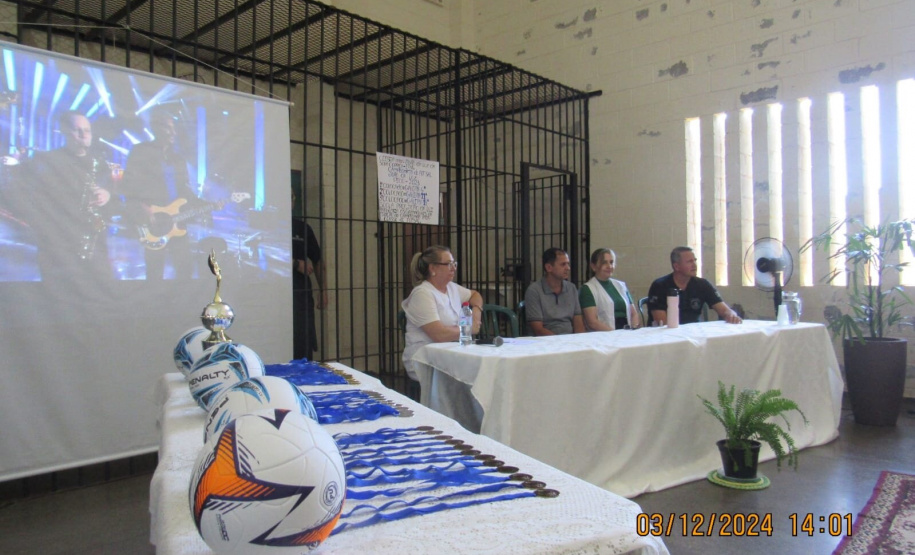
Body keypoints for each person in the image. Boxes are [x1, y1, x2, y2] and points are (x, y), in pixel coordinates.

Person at [21, 111, 114, 281]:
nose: (83, 135)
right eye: (77, 130)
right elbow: (32, 199)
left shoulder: (100, 163)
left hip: (94, 243)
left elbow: (114, 196)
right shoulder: (46, 161)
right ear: (64, 131)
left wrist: (107, 194)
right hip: (59, 247)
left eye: (87, 130)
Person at [121, 111, 198, 280]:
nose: (173, 132)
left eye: (174, 128)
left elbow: (185, 190)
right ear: (156, 128)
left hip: (177, 221)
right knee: (155, 271)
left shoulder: (178, 159)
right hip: (154, 221)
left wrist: (204, 203)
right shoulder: (140, 152)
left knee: (185, 269)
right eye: (168, 127)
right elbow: (128, 184)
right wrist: (141, 207)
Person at [401, 245, 483, 380]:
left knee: (483, 368)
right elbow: (439, 335)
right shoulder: (422, 294)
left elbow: (475, 295)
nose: (453, 268)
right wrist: (468, 329)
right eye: (448, 264)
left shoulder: (451, 288)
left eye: (454, 264)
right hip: (426, 357)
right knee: (476, 374)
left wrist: (476, 312)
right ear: (432, 268)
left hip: (452, 352)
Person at [647, 246, 742, 325]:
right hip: (668, 335)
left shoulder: (702, 284)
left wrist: (731, 315)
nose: (694, 265)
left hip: (695, 333)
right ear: (676, 266)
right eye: (689, 262)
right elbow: (662, 323)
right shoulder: (660, 286)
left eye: (695, 260)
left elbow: (724, 309)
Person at [292, 188, 328, 360]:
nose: (290, 200)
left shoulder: (302, 227)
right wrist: (293, 263)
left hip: (301, 294)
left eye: (292, 196)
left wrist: (324, 291)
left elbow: (318, 260)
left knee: (303, 344)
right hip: (273, 295)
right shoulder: (266, 225)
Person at [524, 247, 585, 336]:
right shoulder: (534, 291)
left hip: (570, 340)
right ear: (549, 267)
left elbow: (578, 323)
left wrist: (580, 342)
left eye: (568, 264)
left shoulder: (571, 288)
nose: (568, 268)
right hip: (546, 342)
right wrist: (561, 343)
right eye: (563, 264)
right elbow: (538, 329)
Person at [579, 248, 640, 331]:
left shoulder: (621, 285)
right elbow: (592, 322)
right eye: (604, 263)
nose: (609, 266)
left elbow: (634, 314)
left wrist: (633, 329)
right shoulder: (588, 289)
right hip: (605, 335)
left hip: (626, 333)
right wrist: (614, 334)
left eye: (611, 262)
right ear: (593, 266)